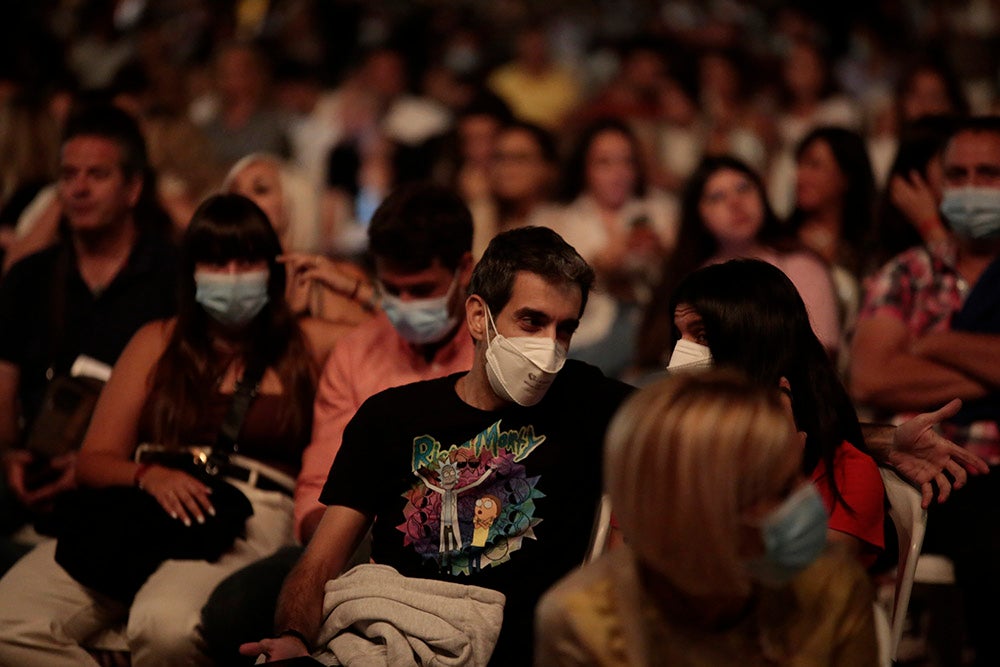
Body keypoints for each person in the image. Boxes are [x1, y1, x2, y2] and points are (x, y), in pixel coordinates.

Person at [240, 225, 632, 664]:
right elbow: (320, 562)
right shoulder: (390, 416)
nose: (550, 347)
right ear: (479, 318)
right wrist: (293, 636)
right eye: (532, 321)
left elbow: (690, 425)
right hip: (388, 635)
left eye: (565, 330)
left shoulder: (586, 400)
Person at [0, 193, 341, 666]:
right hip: (147, 500)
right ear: (192, 272)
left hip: (250, 507)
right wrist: (149, 476)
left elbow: (396, 333)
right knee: (8, 619)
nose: (233, 278)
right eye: (216, 264)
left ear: (273, 267)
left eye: (247, 263)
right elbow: (94, 461)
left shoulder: (303, 342)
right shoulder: (157, 338)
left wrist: (351, 284)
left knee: (165, 628)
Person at [199, 182, 478, 664]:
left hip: (457, 551)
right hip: (352, 543)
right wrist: (339, 548)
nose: (407, 304)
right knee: (231, 610)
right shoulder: (356, 352)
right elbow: (316, 487)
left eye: (423, 290)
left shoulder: (490, 356)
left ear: (465, 271)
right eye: (393, 290)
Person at [536, 370, 878, 666]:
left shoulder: (832, 589)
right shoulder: (586, 621)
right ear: (706, 511)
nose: (807, 497)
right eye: (782, 490)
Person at [0, 103, 178, 574]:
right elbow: (4, 383)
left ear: (133, 187)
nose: (78, 188)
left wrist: (93, 465)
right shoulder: (31, 277)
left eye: (96, 175)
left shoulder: (172, 277)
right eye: (68, 175)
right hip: (31, 468)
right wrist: (7, 456)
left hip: (125, 472)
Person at [850, 116, 1000, 667]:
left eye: (989, 174)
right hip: (935, 468)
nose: (971, 187)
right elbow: (871, 378)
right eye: (958, 174)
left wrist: (934, 343)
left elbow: (895, 369)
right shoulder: (908, 273)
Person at [662, 259, 883, 565]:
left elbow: (811, 594)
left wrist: (778, 483)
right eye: (679, 338)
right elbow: (627, 579)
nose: (679, 360)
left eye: (703, 337)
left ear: (755, 346)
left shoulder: (845, 474)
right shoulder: (664, 454)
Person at [634, 155, 840, 369]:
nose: (735, 203)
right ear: (698, 215)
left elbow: (819, 357)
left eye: (743, 188)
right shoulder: (692, 277)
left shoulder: (802, 266)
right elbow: (663, 355)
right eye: (717, 197)